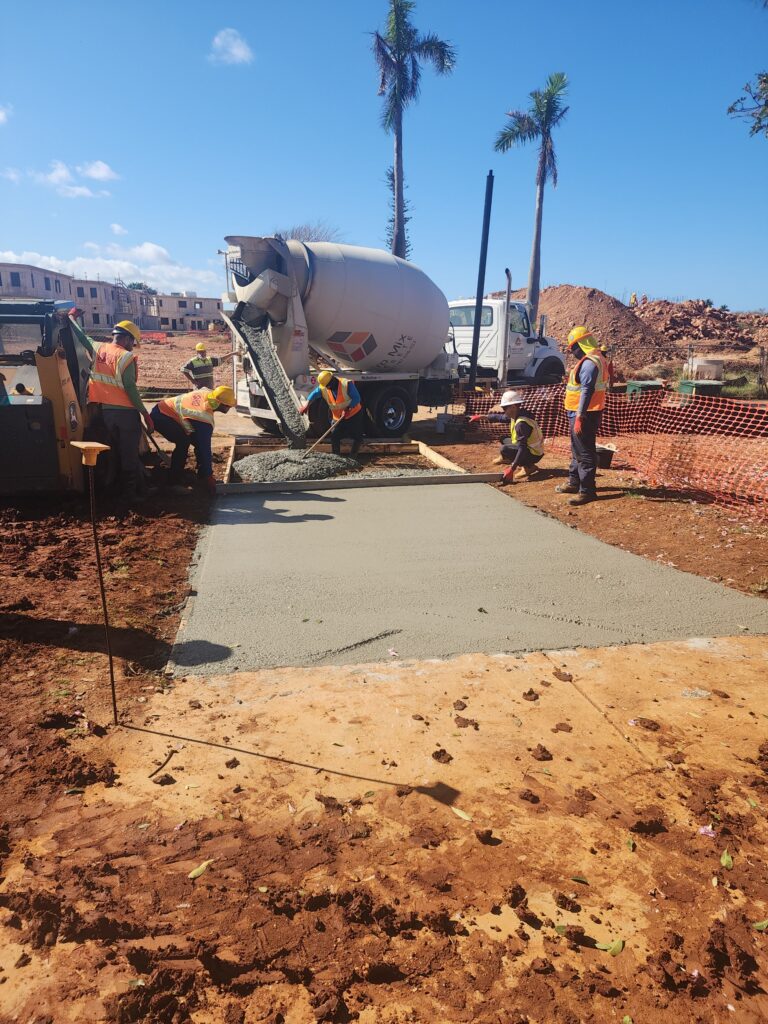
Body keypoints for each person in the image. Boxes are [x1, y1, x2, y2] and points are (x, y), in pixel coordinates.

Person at [68, 309, 154, 503]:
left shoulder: (99, 348)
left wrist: (72, 318)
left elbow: (81, 336)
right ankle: (130, 495)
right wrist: (145, 414)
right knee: (129, 453)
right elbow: (130, 388)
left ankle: (124, 488)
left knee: (116, 450)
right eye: (133, 342)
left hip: (107, 413)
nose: (133, 347)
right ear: (127, 339)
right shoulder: (125, 357)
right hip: (126, 414)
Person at [555, 326, 609, 506]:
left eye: (573, 348)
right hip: (583, 411)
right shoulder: (597, 359)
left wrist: (579, 416)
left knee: (584, 452)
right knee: (576, 448)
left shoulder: (589, 363)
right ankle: (574, 481)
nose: (572, 352)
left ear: (581, 345)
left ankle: (587, 491)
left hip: (585, 414)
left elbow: (587, 390)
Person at [149, 385, 235, 495]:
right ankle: (173, 482)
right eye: (228, 405)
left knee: (196, 441)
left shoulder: (208, 393)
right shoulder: (203, 418)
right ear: (219, 404)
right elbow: (205, 448)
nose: (230, 407)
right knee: (183, 442)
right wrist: (209, 476)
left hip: (170, 413)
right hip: (161, 416)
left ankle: (201, 476)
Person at [469, 390, 544, 484]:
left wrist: (512, 468)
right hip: (531, 449)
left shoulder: (521, 424)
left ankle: (528, 467)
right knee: (503, 439)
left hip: (534, 454)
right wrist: (481, 417)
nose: (503, 410)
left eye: (505, 408)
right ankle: (510, 458)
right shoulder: (518, 414)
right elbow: (499, 418)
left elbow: (522, 448)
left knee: (505, 449)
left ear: (513, 407)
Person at [299, 370, 365, 456]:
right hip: (338, 417)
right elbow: (314, 394)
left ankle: (353, 457)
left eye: (328, 386)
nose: (327, 388)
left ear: (332, 381)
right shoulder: (324, 388)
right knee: (335, 437)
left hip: (353, 414)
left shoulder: (346, 384)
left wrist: (348, 409)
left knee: (357, 437)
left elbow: (356, 398)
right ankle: (336, 457)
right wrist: (306, 406)